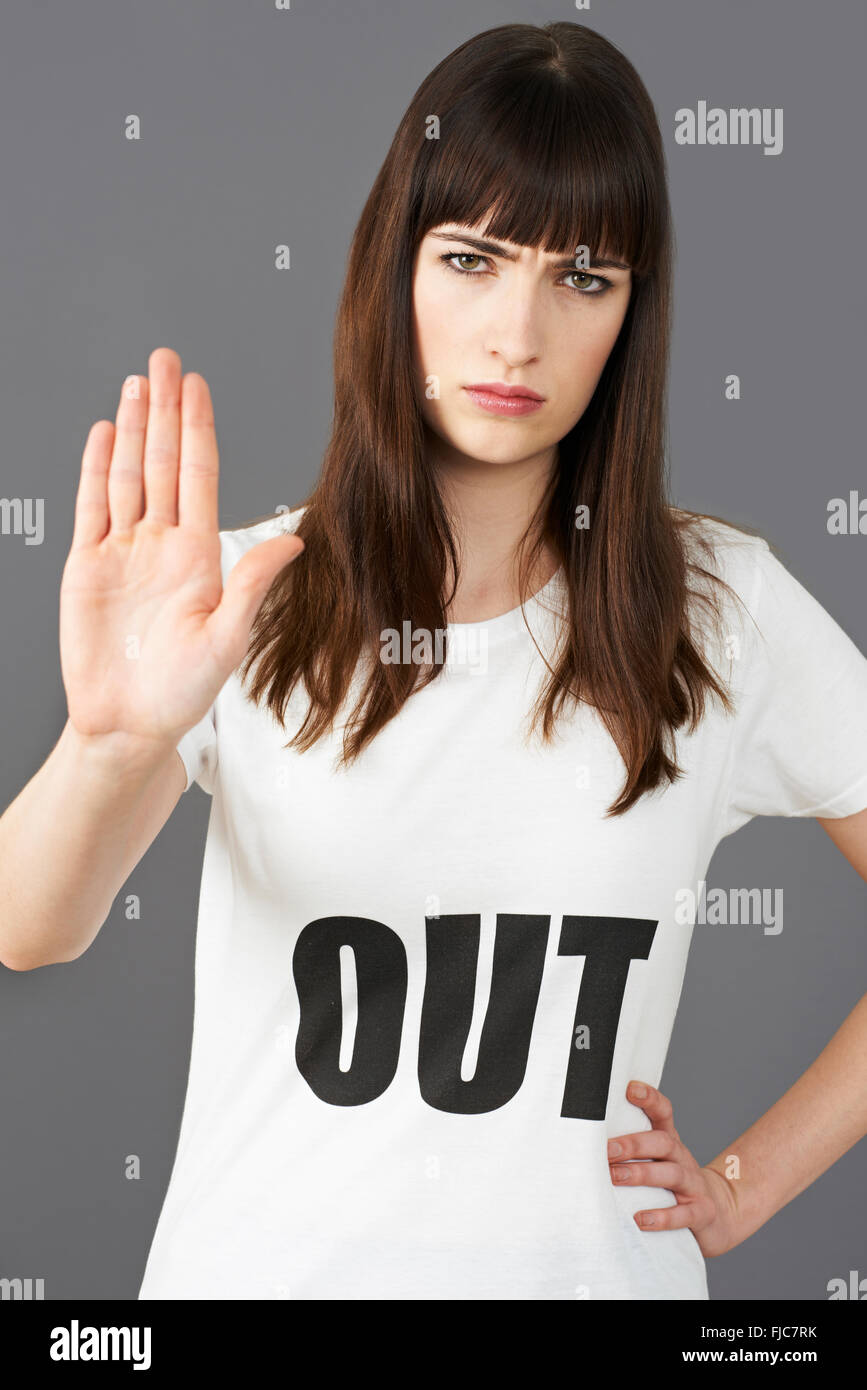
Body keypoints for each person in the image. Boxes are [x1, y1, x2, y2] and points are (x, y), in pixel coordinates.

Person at [2, 20, 866, 1302]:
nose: (517, 333)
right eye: (470, 259)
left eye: (584, 276)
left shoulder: (716, 609)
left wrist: (741, 1187)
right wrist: (110, 740)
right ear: (390, 272)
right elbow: (32, 929)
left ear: (634, 311)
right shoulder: (241, 596)